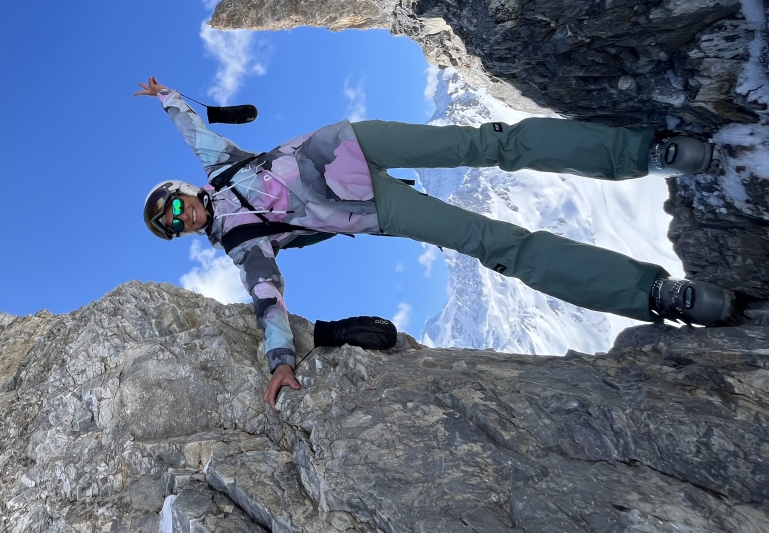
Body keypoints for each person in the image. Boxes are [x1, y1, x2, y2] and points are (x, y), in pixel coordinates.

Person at [135, 76, 736, 409]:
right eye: (173, 224)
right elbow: (268, 299)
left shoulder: (221, 170)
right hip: (367, 206)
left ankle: (642, 153)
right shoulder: (240, 245)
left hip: (347, 145)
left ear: (182, 190)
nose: (181, 216)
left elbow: (195, 128)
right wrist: (280, 360)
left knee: (486, 143)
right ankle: (654, 294)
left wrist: (166, 97)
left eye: (174, 204)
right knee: (492, 242)